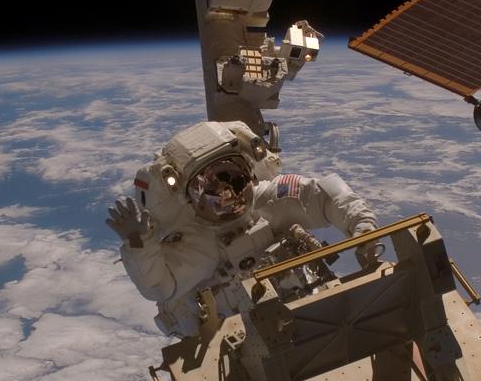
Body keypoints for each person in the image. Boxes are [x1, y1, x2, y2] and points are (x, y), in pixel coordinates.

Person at [106, 120, 378, 337]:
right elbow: (160, 286)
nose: (226, 195)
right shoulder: (195, 243)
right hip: (238, 344)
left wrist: (364, 230)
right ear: (188, 197)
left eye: (231, 179)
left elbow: (328, 197)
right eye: (210, 189)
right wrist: (138, 242)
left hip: (313, 312)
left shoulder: (271, 199)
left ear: (247, 170)